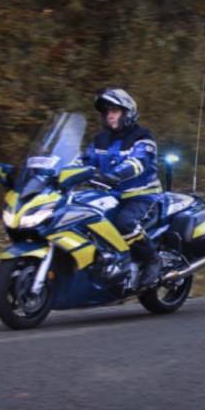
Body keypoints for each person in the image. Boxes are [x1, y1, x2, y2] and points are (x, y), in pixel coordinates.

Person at [81, 88, 165, 289]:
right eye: (106, 111)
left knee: (123, 221)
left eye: (115, 111)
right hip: (108, 195)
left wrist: (115, 175)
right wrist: (58, 172)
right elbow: (83, 161)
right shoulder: (100, 139)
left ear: (127, 112)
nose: (109, 115)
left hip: (141, 195)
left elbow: (138, 162)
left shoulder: (143, 136)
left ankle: (153, 259)